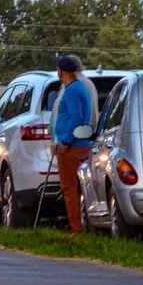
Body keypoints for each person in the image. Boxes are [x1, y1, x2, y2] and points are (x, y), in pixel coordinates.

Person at [54, 55, 94, 234]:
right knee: (80, 188)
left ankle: (76, 228)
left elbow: (75, 117)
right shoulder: (80, 87)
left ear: (61, 71)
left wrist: (64, 141)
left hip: (72, 147)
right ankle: (82, 224)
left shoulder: (70, 91)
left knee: (69, 189)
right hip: (82, 143)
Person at [50, 55, 99, 146]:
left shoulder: (72, 86)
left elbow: (74, 116)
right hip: (85, 138)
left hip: (73, 143)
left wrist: (62, 141)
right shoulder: (88, 83)